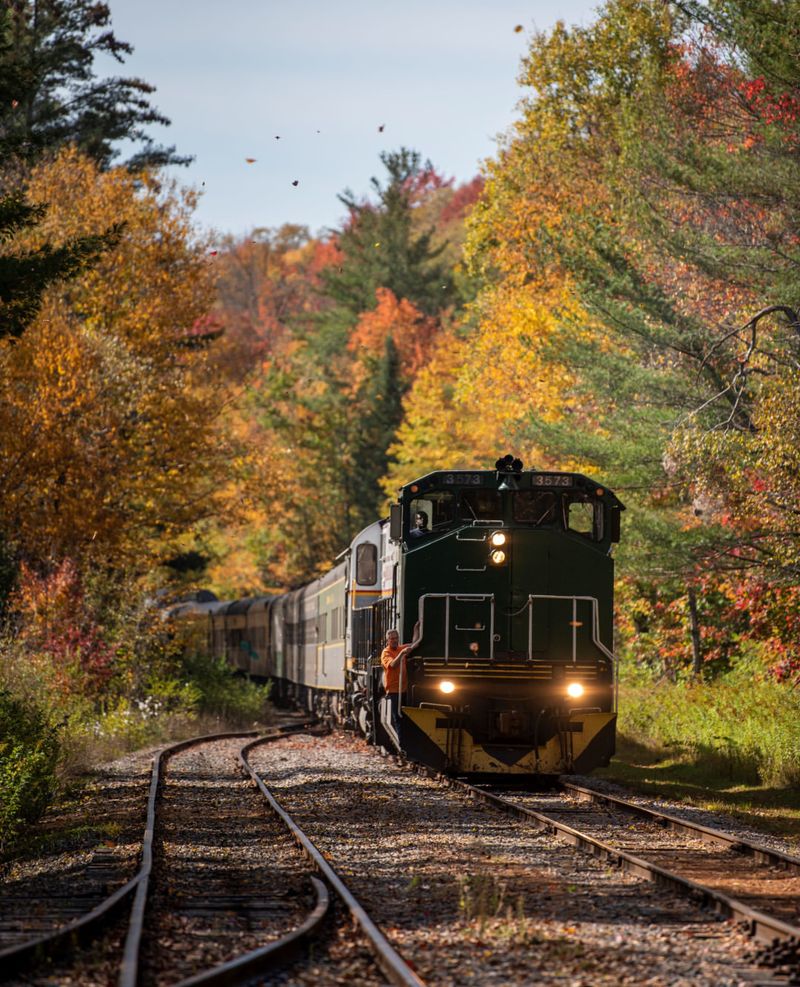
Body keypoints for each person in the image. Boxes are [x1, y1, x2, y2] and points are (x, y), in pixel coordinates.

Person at [380, 626, 419, 732]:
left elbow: (414, 644)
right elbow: (392, 665)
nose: (394, 640)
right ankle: (402, 746)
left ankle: (406, 743)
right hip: (394, 692)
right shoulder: (385, 653)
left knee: (406, 718)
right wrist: (402, 654)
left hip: (404, 689)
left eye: (396, 638)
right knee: (398, 718)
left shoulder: (400, 648)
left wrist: (416, 629)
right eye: (392, 639)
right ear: (387, 640)